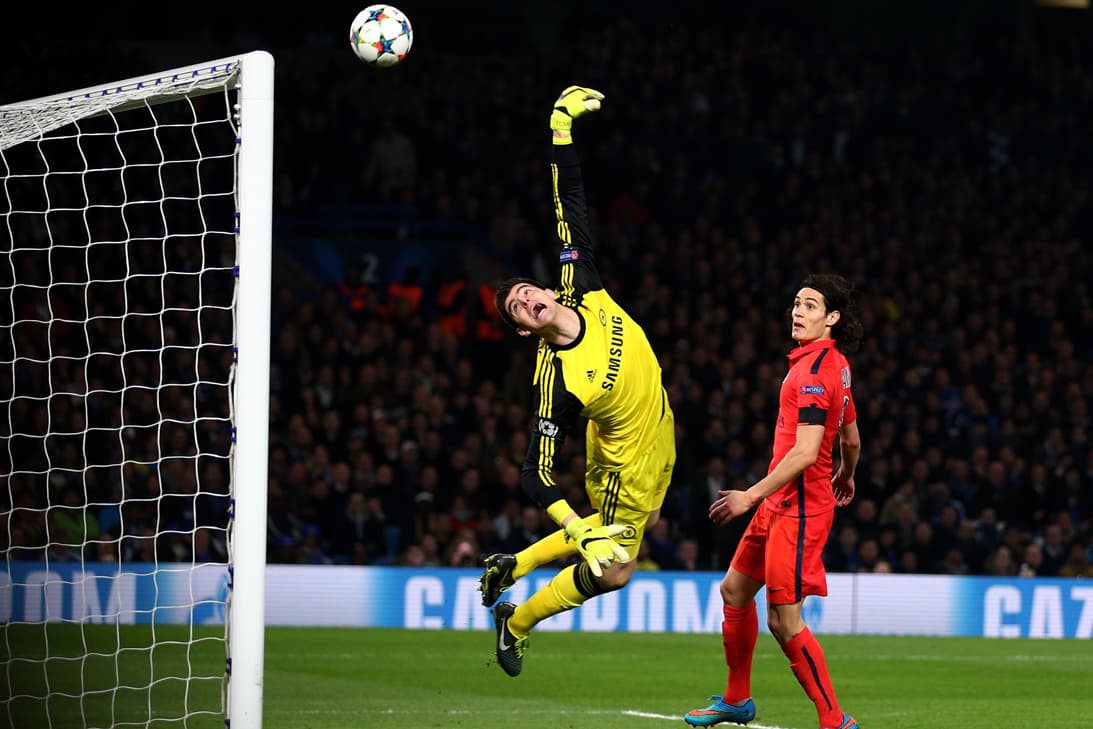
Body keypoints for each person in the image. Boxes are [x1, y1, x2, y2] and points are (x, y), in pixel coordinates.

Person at [478, 85, 677, 678]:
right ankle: (515, 621)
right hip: (621, 465)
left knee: (619, 537)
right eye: (516, 308)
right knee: (614, 567)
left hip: (661, 431)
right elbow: (532, 472)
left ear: (542, 288)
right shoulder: (556, 380)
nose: (527, 302)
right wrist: (574, 529)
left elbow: (572, 204)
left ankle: (513, 566)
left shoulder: (580, 282)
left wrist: (561, 127)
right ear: (522, 329)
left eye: (525, 292)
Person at [684, 274, 863, 729]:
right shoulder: (834, 364)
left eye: (810, 306)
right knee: (734, 590)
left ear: (832, 318)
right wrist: (846, 473)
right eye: (796, 304)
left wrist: (750, 495)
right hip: (782, 503)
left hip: (798, 510)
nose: (798, 312)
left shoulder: (816, 372)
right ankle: (737, 700)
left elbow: (805, 452)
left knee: (785, 621)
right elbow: (852, 438)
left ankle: (835, 720)